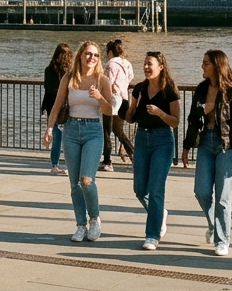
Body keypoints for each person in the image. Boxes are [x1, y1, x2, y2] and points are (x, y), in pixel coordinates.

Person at [182, 50, 232, 256]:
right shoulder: (201, 88)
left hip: (227, 145)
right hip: (206, 141)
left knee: (223, 197)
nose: (202, 66)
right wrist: (187, 146)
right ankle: (214, 225)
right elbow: (193, 118)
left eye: (206, 63)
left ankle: (222, 240)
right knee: (202, 191)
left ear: (217, 65)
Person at [40, 41, 113, 242]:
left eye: (96, 55)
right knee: (74, 183)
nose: (92, 58)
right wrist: (49, 128)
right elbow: (56, 106)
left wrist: (99, 97)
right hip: (71, 129)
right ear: (80, 55)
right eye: (88, 54)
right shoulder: (69, 77)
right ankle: (80, 225)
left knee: (86, 180)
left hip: (93, 130)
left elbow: (109, 110)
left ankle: (95, 219)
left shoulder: (102, 80)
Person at [125, 51, 181, 250]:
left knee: (156, 189)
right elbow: (130, 118)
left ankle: (152, 235)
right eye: (145, 64)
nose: (146, 67)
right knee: (140, 189)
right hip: (142, 138)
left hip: (163, 140)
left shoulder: (169, 90)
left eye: (150, 64)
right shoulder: (139, 88)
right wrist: (133, 105)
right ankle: (159, 213)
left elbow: (175, 121)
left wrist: (160, 113)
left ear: (161, 67)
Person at [101, 39, 135, 172]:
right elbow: (130, 77)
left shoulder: (111, 63)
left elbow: (107, 82)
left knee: (106, 131)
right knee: (119, 131)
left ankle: (107, 161)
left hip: (113, 99)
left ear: (110, 52)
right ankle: (133, 154)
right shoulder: (127, 63)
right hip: (124, 98)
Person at [42, 43, 71, 176]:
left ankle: (55, 164)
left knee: (56, 135)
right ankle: (69, 163)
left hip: (51, 106)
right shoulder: (69, 72)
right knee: (68, 136)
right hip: (65, 106)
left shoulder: (49, 69)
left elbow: (48, 89)